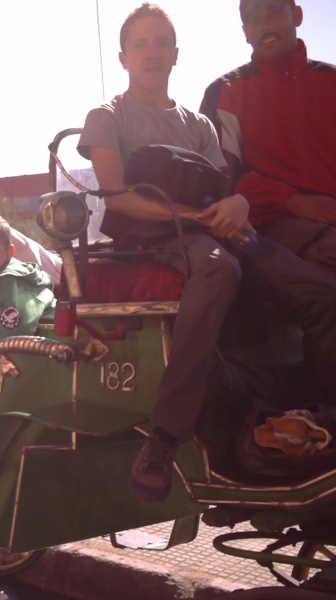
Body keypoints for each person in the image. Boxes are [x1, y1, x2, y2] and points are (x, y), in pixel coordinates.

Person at [77, 3, 336, 504]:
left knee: (320, 290)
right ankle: (166, 436)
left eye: (161, 44)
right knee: (218, 270)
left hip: (209, 228)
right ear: (124, 57)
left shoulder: (197, 124)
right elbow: (116, 194)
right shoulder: (108, 116)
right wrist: (198, 218)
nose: (152, 53)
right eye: (140, 45)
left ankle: (319, 415)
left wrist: (237, 202)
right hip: (151, 238)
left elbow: (226, 187)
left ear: (176, 54)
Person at [200, 0, 336, 279]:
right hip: (268, 226)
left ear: (296, 15)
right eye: (252, 18)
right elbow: (218, 181)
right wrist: (292, 201)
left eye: (273, 10)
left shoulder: (331, 82)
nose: (264, 23)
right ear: (245, 32)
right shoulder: (225, 92)